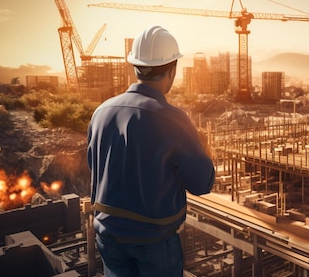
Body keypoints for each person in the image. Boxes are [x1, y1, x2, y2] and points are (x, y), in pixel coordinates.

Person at [87, 25, 215, 277]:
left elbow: (95, 166)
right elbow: (202, 183)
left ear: (135, 67)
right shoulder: (173, 120)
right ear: (172, 70)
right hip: (154, 239)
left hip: (108, 234)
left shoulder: (101, 113)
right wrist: (203, 146)